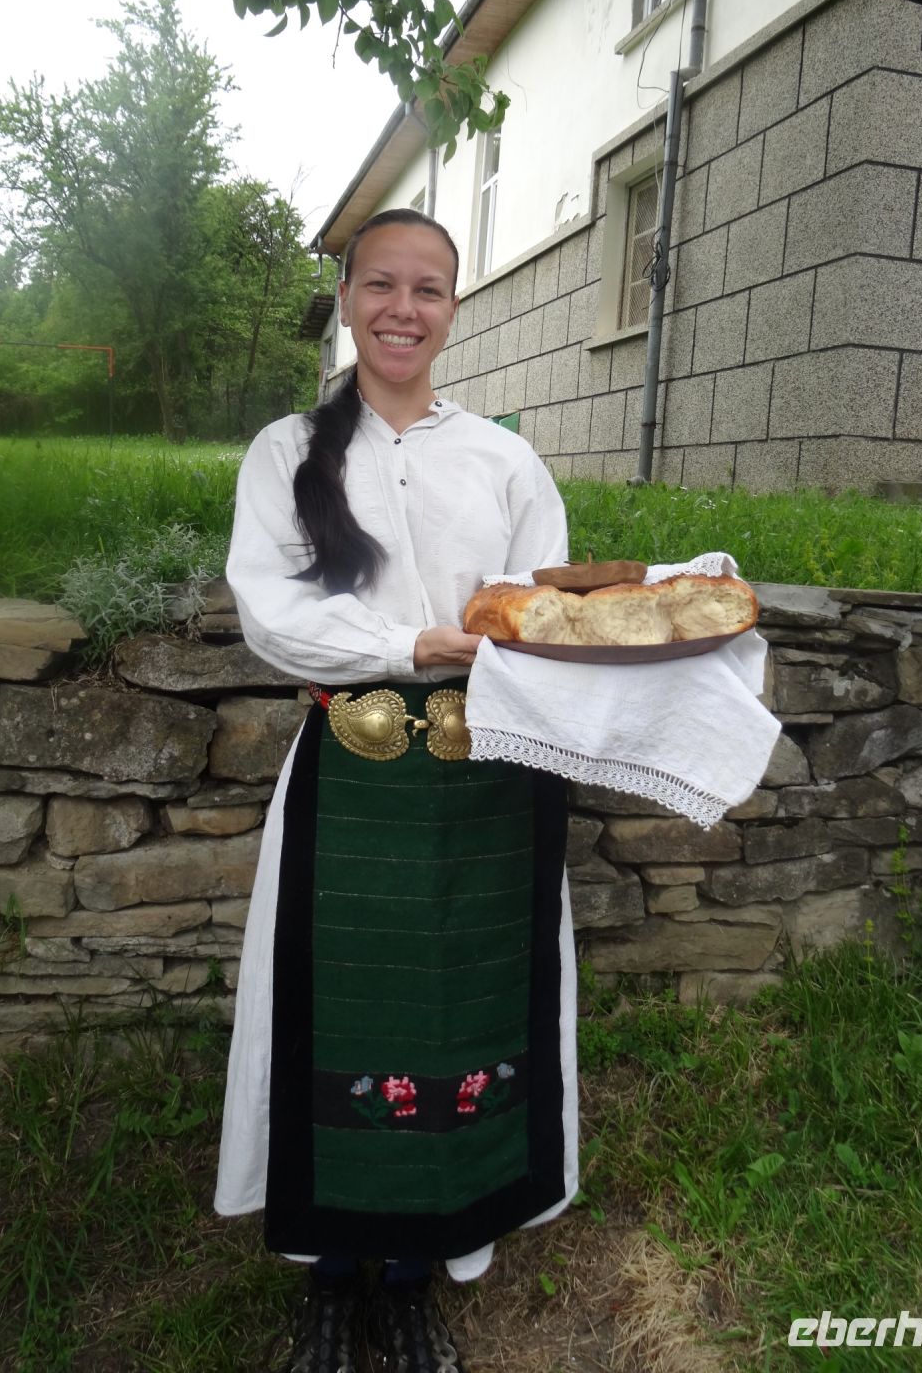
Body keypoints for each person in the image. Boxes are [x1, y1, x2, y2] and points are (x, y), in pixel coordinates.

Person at [215, 208, 579, 1373]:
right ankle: (334, 1276)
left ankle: (418, 1273)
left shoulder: (507, 460)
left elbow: (537, 610)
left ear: (454, 307)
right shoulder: (287, 452)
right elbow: (272, 609)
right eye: (381, 284)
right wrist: (410, 644)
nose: (403, 309)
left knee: (457, 1015)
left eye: (428, 288)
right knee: (338, 1005)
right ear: (347, 296)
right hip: (355, 777)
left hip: (486, 782)